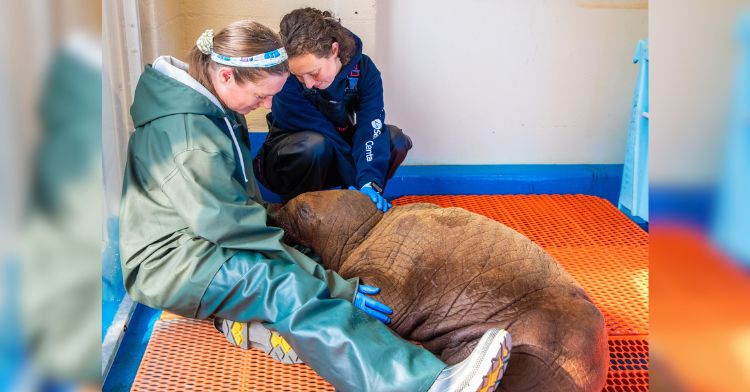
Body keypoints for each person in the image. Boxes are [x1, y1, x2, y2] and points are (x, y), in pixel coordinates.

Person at [119, 20, 511, 392]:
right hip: (171, 262)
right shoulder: (191, 139)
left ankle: (253, 324)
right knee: (281, 284)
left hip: (199, 237)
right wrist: (334, 287)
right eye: (262, 96)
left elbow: (233, 211)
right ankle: (421, 383)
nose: (266, 105)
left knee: (300, 254)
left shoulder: (213, 108)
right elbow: (234, 231)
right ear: (226, 75)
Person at [253, 7, 411, 212]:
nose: (307, 84)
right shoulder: (284, 80)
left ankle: (360, 200)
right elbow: (325, 134)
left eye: (314, 73)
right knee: (315, 144)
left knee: (395, 140)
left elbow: (370, 128)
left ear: (334, 50)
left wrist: (368, 183)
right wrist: (357, 178)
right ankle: (299, 212)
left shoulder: (364, 70)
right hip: (292, 159)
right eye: (300, 76)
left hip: (335, 151)